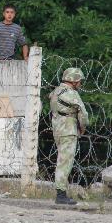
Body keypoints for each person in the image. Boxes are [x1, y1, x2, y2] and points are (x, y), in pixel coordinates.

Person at [49, 67, 89, 205]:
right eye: (79, 81)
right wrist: (82, 127)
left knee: (62, 159)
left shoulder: (56, 91)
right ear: (74, 80)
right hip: (68, 129)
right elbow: (83, 113)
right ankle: (61, 194)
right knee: (65, 161)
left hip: (58, 128)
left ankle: (62, 192)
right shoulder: (71, 93)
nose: (80, 84)